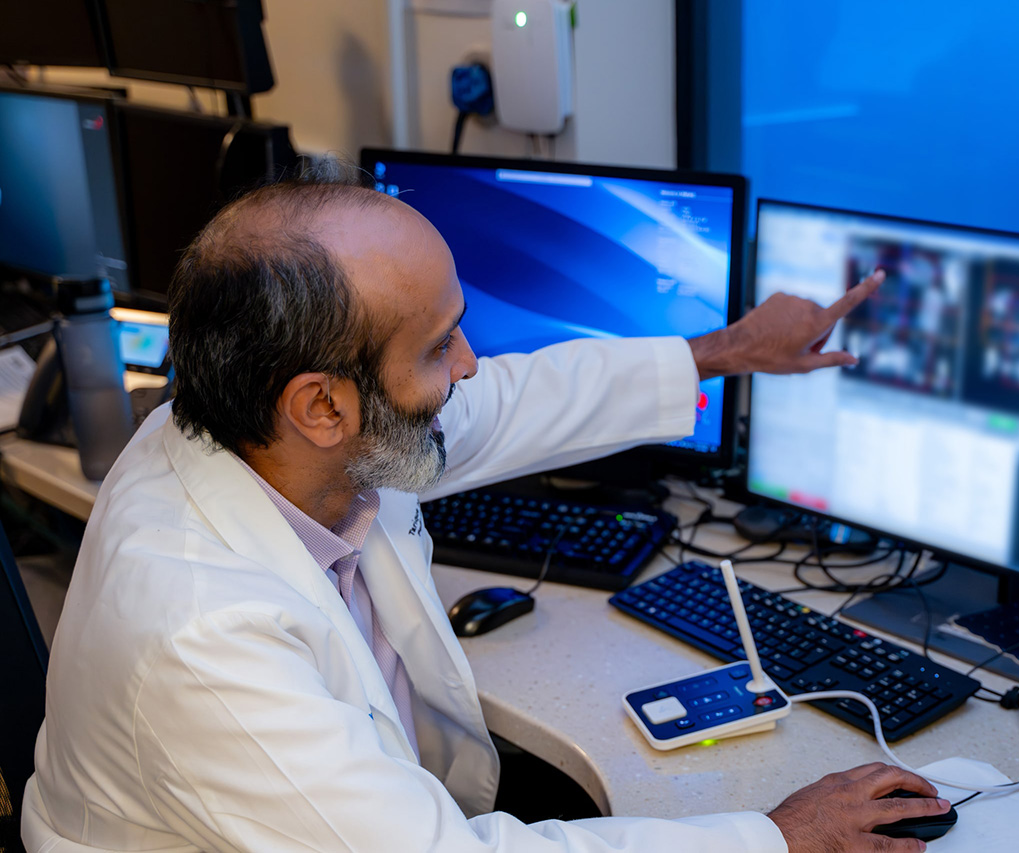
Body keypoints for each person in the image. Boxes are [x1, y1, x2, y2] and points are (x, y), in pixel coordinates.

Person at [22, 164, 950, 853]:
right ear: (321, 405)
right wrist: (778, 837)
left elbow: (512, 401)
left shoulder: (262, 426)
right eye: (439, 346)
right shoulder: (200, 635)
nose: (469, 364)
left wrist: (728, 350)